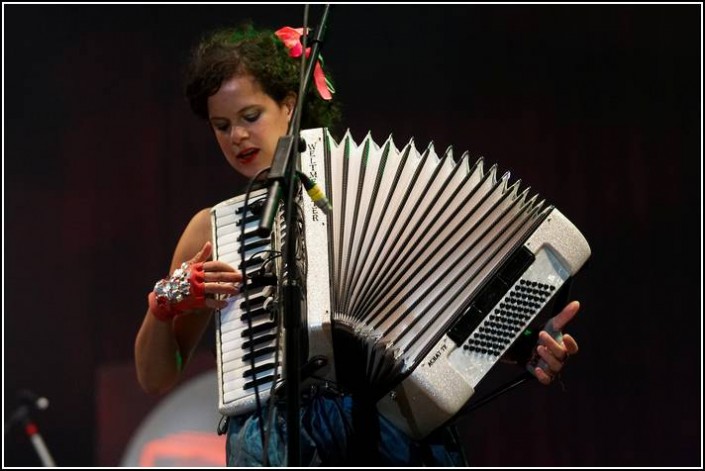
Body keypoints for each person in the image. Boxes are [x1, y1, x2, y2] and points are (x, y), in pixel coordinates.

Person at [134, 22, 581, 467]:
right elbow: (155, 377)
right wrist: (166, 303)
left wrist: (522, 345)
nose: (236, 137)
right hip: (278, 440)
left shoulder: (368, 192)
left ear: (289, 106)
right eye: (221, 125)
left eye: (250, 117)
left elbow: (432, 313)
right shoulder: (210, 230)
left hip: (388, 429)